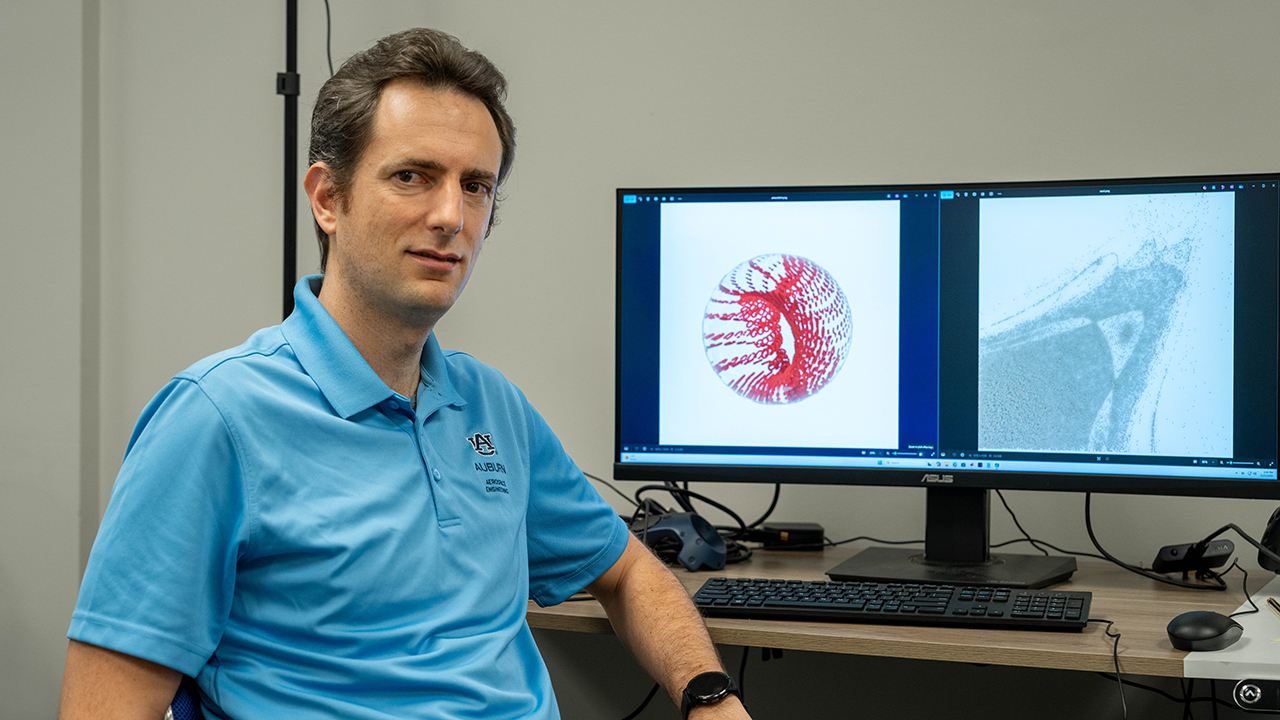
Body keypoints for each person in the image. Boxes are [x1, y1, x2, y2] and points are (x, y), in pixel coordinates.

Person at [58, 28, 751, 720]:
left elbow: (628, 570)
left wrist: (709, 695)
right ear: (328, 199)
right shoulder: (216, 419)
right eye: (411, 176)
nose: (451, 216)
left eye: (475, 186)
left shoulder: (491, 409)